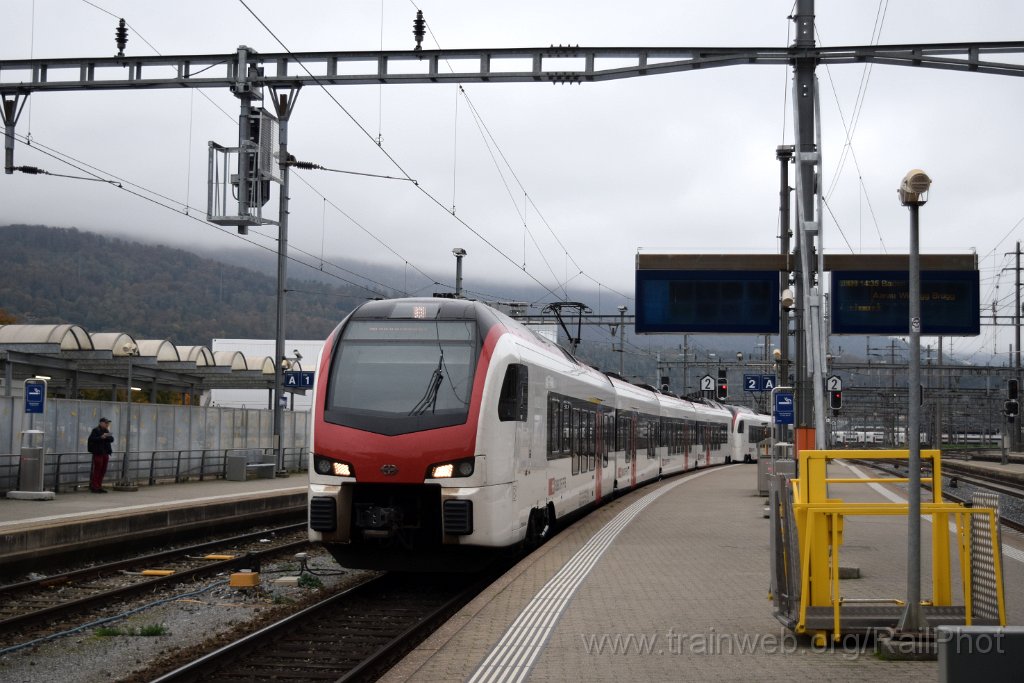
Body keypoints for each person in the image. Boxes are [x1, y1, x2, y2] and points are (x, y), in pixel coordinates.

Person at [87, 417, 114, 493]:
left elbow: (111, 439)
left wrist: (106, 437)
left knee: (103, 470)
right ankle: (95, 486)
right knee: (97, 469)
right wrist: (101, 437)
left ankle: (99, 485)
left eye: (108, 423)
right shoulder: (96, 430)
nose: (107, 424)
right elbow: (91, 439)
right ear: (101, 423)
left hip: (105, 453)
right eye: (106, 423)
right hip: (98, 453)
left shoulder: (106, 431)